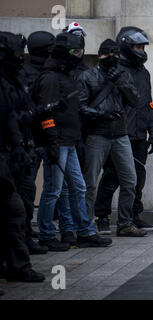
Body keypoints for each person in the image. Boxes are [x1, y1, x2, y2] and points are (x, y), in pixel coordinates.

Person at [35, 32, 112, 250]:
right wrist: (51, 142)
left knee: (78, 187)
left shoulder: (66, 76)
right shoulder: (50, 78)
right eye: (76, 51)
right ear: (64, 51)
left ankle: (85, 232)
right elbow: (45, 114)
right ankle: (47, 235)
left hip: (69, 141)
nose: (79, 56)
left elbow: (73, 110)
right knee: (53, 190)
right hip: (56, 143)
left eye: (81, 51)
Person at [80, 39, 146, 237]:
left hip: (120, 134)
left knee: (130, 180)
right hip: (97, 134)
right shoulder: (88, 75)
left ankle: (125, 223)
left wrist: (122, 81)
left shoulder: (123, 75)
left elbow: (135, 100)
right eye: (108, 54)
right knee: (90, 182)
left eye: (116, 54)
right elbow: (80, 106)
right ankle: (87, 225)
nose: (112, 57)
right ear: (99, 55)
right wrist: (100, 114)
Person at [95, 27, 153, 234]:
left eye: (142, 47)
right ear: (127, 47)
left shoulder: (144, 73)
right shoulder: (116, 71)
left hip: (140, 133)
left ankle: (132, 215)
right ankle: (101, 216)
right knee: (112, 176)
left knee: (137, 178)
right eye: (137, 46)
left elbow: (148, 103)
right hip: (120, 133)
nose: (141, 50)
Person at [0, 31, 45, 282]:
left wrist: (19, 145)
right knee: (14, 209)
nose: (20, 59)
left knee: (16, 210)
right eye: (16, 54)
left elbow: (13, 118)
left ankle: (17, 266)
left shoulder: (13, 80)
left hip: (11, 155)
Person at [18, 31, 55, 251]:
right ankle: (24, 232)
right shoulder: (26, 75)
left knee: (51, 187)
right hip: (31, 138)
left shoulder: (48, 72)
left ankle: (29, 230)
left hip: (45, 137)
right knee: (26, 189)